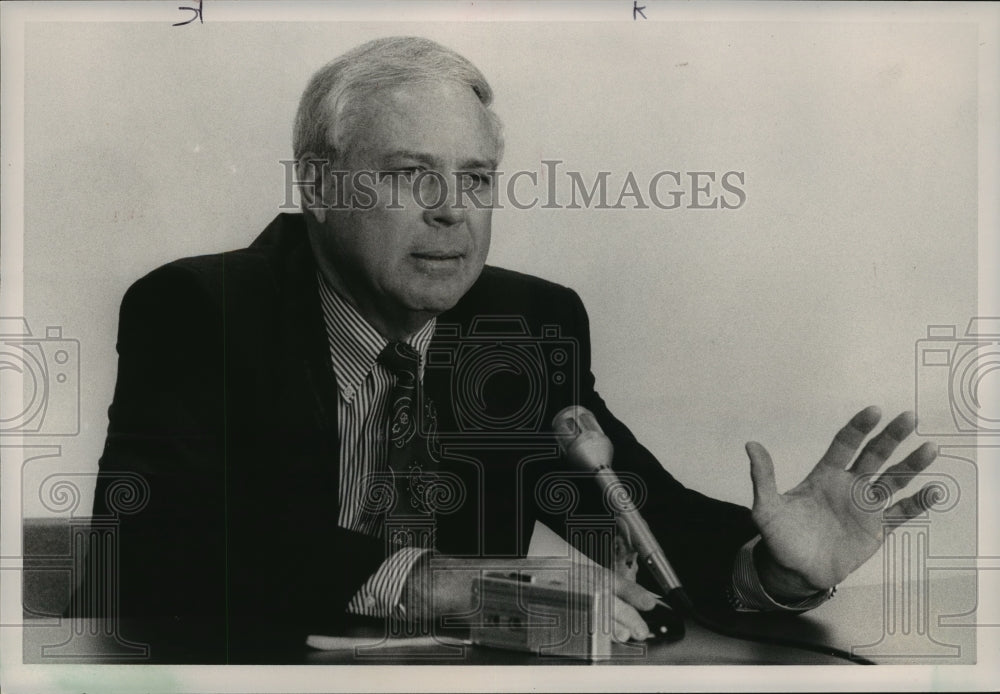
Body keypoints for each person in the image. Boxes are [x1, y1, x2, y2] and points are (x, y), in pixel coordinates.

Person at [77, 36, 939, 663]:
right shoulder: (200, 310)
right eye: (411, 174)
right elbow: (157, 555)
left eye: (478, 180)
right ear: (318, 184)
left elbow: (639, 524)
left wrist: (774, 572)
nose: (453, 211)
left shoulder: (522, 327)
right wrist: (443, 582)